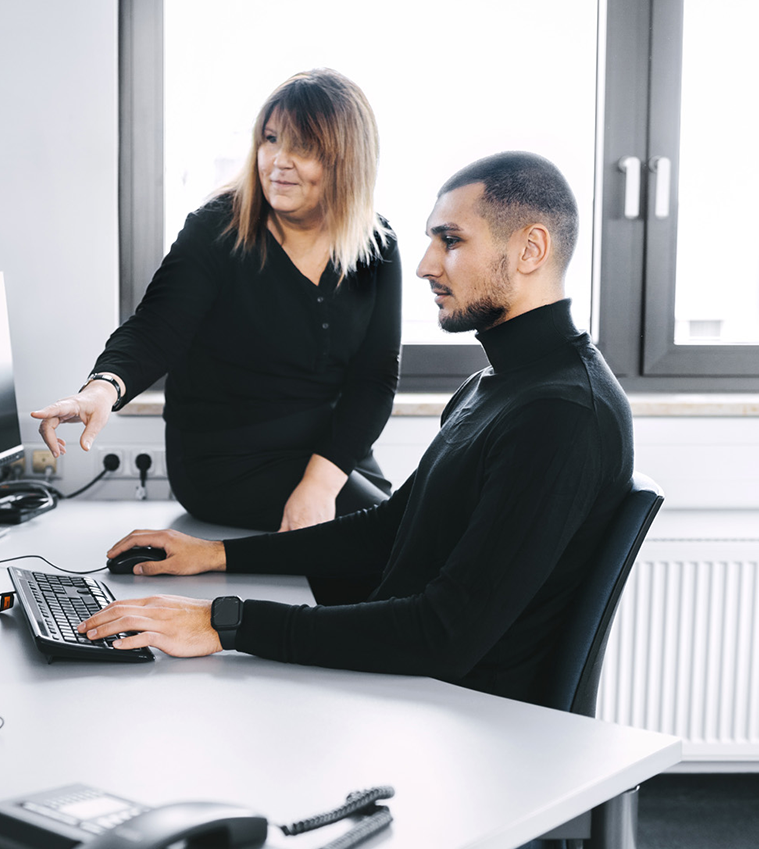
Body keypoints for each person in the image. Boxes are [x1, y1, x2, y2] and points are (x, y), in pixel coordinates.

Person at [78, 150, 634, 711]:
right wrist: (216, 556)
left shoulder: (561, 414)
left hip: (455, 719)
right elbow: (391, 529)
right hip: (408, 690)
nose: (424, 265)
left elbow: (445, 635)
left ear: (530, 249)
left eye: (452, 241)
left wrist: (225, 623)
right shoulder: (497, 385)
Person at [32, 69, 401, 532]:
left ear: (348, 159)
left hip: (328, 451)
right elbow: (155, 329)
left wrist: (321, 483)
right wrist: (102, 389)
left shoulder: (376, 244)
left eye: (302, 147)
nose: (278, 161)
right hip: (228, 459)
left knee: (402, 531)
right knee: (381, 537)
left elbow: (376, 377)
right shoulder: (217, 228)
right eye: (270, 139)